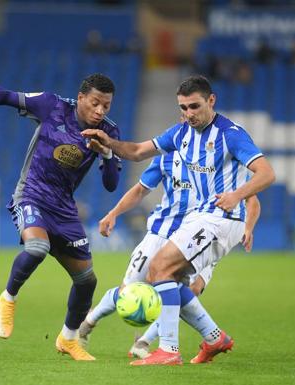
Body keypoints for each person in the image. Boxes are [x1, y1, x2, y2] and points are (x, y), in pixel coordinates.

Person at [82, 75, 275, 365]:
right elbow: (136, 152)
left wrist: (237, 195)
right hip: (201, 218)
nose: (189, 114)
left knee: (160, 268)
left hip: (223, 218)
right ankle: (214, 338)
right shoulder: (180, 133)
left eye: (194, 107)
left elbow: (266, 174)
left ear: (211, 101)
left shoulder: (230, 134)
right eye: (183, 108)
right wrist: (109, 142)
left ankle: (168, 350)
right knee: (167, 280)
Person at [0, 73, 121, 361]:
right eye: (95, 103)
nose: (100, 111)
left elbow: (110, 184)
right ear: (81, 97)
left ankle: (68, 340)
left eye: (106, 106)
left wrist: (106, 153)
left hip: (64, 208)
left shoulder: (109, 131)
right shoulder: (52, 105)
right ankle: (8, 299)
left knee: (87, 281)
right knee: (37, 248)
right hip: (31, 194)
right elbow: (10, 97)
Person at [78, 149, 261, 360]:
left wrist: (248, 228)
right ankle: (90, 320)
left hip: (202, 234)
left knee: (190, 289)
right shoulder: (167, 157)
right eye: (184, 114)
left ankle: (146, 342)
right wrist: (114, 213)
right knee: (130, 292)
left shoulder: (220, 159)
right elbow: (139, 190)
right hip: (161, 234)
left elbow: (252, 199)